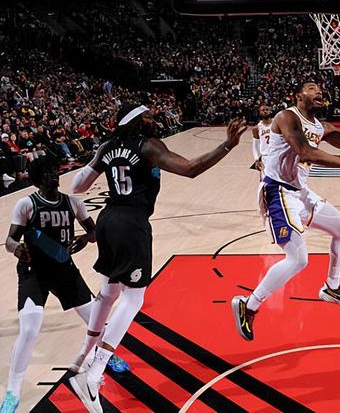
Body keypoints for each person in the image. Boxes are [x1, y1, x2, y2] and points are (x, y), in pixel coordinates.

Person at [67, 104, 247, 412]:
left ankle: (84, 355)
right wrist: (227, 145)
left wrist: (100, 161)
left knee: (108, 293)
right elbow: (190, 168)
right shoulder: (148, 145)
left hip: (107, 220)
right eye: (147, 116)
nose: (153, 118)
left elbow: (77, 186)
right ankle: (94, 372)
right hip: (131, 224)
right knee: (133, 298)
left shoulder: (108, 146)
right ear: (134, 122)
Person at [232, 82, 340, 341]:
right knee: (297, 260)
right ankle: (249, 305)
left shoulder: (321, 127)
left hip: (300, 193)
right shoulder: (286, 117)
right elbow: (304, 150)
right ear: (298, 96)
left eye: (320, 89)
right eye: (312, 88)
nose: (319, 91)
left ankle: (331, 287)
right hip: (277, 191)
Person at [0, 158, 129, 413]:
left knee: (95, 320)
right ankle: (12, 392)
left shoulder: (73, 203)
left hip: (63, 269)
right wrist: (17, 249)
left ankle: (105, 355)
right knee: (29, 329)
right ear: (37, 180)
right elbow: (10, 240)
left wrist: (85, 239)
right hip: (34, 273)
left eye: (54, 169)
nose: (54, 174)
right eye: (47, 172)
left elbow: (93, 232)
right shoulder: (27, 204)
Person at [251, 104, 273, 176]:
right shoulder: (256, 128)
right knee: (265, 180)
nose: (265, 111)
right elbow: (255, 145)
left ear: (270, 111)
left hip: (277, 155)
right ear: (259, 112)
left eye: (267, 110)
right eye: (263, 110)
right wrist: (257, 159)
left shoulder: (277, 124)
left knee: (280, 181)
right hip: (265, 157)